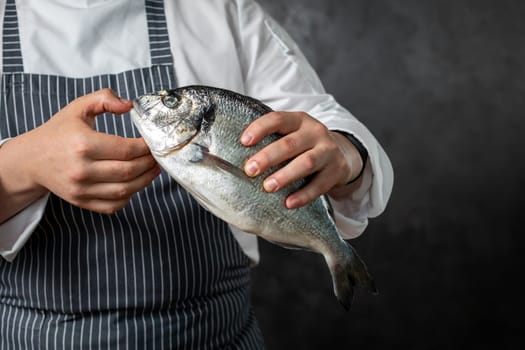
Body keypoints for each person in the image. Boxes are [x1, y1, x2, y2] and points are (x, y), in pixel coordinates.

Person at [0, 0, 393, 348]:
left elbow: (322, 118)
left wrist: (343, 152)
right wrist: (20, 167)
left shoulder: (221, 11)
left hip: (216, 335)